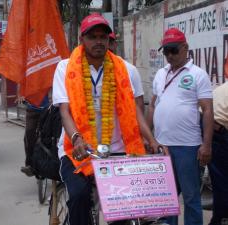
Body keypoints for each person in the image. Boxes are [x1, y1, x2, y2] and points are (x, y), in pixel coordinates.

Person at [52, 13, 164, 225]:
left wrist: (151, 139)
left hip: (118, 150)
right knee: (79, 197)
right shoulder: (64, 67)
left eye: (103, 37)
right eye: (92, 37)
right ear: (81, 40)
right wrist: (76, 138)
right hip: (78, 149)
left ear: (109, 40)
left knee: (125, 211)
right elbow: (64, 110)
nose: (98, 41)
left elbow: (134, 110)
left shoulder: (122, 68)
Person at [147, 28, 214, 225]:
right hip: (162, 146)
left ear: (185, 48)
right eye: (165, 51)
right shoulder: (161, 73)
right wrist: (146, 137)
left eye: (173, 50)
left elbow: (208, 110)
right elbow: (152, 105)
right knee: (166, 197)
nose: (169, 55)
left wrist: (206, 145)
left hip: (188, 146)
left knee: (191, 196)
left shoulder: (198, 74)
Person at [108, 32, 145, 112]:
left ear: (115, 44)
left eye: (110, 42)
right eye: (105, 41)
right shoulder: (89, 70)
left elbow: (139, 102)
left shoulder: (131, 69)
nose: (107, 46)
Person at [208, 82, 228, 225]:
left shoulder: (223, 88)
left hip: (213, 129)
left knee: (220, 182)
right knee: (222, 183)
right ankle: (221, 220)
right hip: (220, 133)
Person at [17, 94, 50, 176]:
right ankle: (30, 165)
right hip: (32, 109)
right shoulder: (28, 80)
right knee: (29, 135)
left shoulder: (52, 80)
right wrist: (21, 95)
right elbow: (22, 89)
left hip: (49, 109)